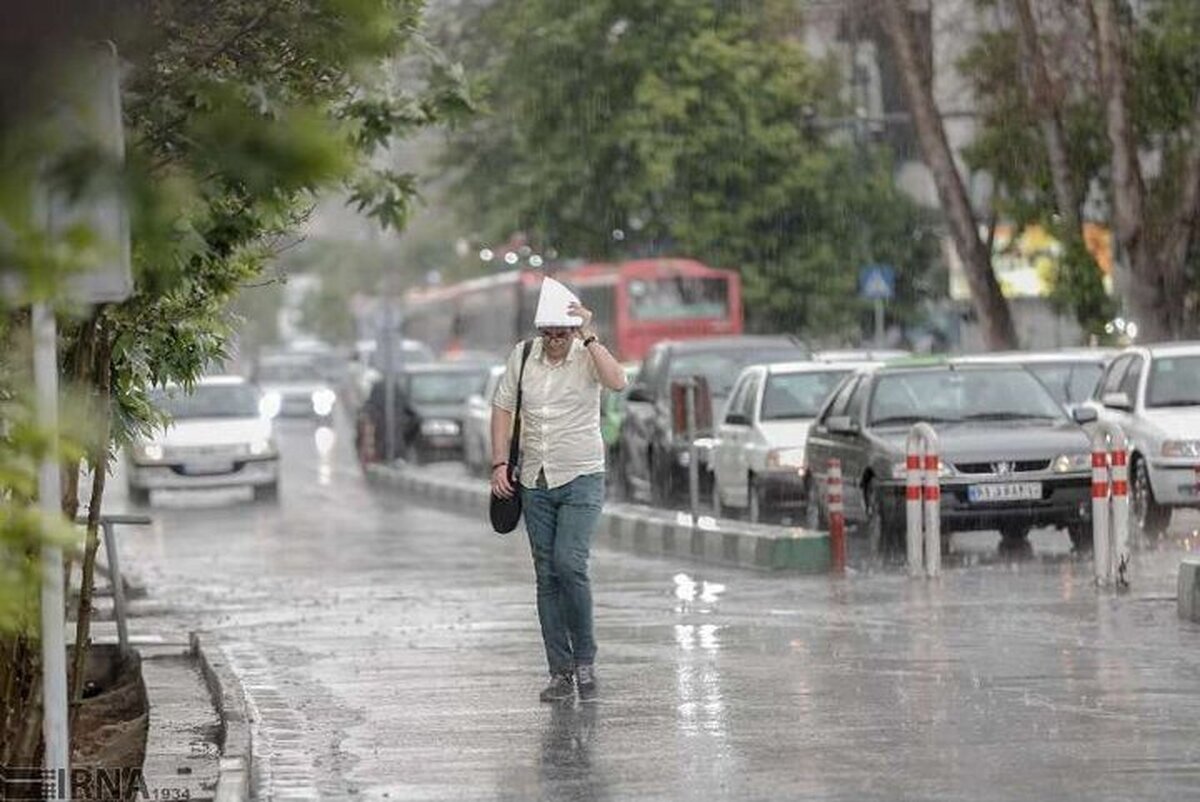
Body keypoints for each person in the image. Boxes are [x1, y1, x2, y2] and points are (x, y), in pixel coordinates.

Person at [491, 278, 628, 702]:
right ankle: (560, 671)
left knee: (570, 564)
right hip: (535, 479)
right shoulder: (523, 354)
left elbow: (618, 381)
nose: (553, 341)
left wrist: (588, 334)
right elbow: (502, 408)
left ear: (571, 331)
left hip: (581, 475)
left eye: (561, 333)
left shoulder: (587, 355)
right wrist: (499, 463)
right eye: (547, 333)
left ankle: (585, 660)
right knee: (547, 575)